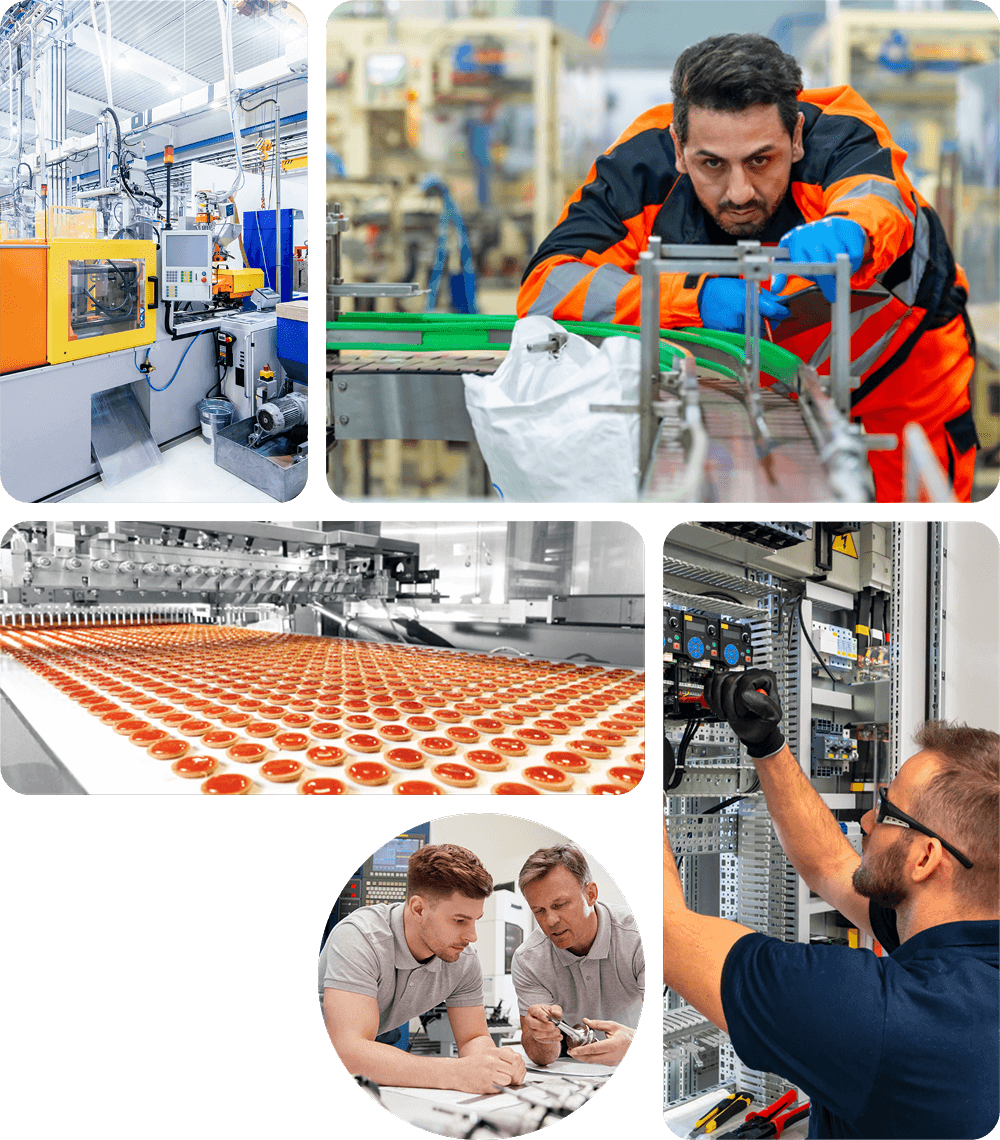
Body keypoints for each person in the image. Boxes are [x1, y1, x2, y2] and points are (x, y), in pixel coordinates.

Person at [518, 33, 978, 502]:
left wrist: (853, 233)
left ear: (796, 136)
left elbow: (876, 201)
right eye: (712, 164)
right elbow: (547, 284)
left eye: (762, 160)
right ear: (678, 148)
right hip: (728, 394)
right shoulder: (639, 173)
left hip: (893, 385)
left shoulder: (843, 137)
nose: (739, 191)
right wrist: (691, 298)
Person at [662, 668, 999, 1139]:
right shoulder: (969, 957)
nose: (866, 819)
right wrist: (766, 743)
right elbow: (829, 864)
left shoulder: (889, 1018)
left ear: (925, 857)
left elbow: (664, 932)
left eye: (888, 811)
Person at [320, 842, 527, 1093]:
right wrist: (456, 1074)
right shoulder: (360, 938)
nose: (472, 936)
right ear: (418, 908)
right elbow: (348, 1052)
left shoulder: (464, 959)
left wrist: (495, 1066)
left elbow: (474, 1038)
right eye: (460, 920)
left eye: (475, 921)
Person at [512, 844, 643, 1067]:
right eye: (539, 911)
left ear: (590, 894)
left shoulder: (638, 938)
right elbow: (540, 1057)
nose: (550, 921)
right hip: (571, 1073)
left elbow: (669, 1021)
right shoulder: (528, 960)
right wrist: (541, 1036)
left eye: (560, 905)